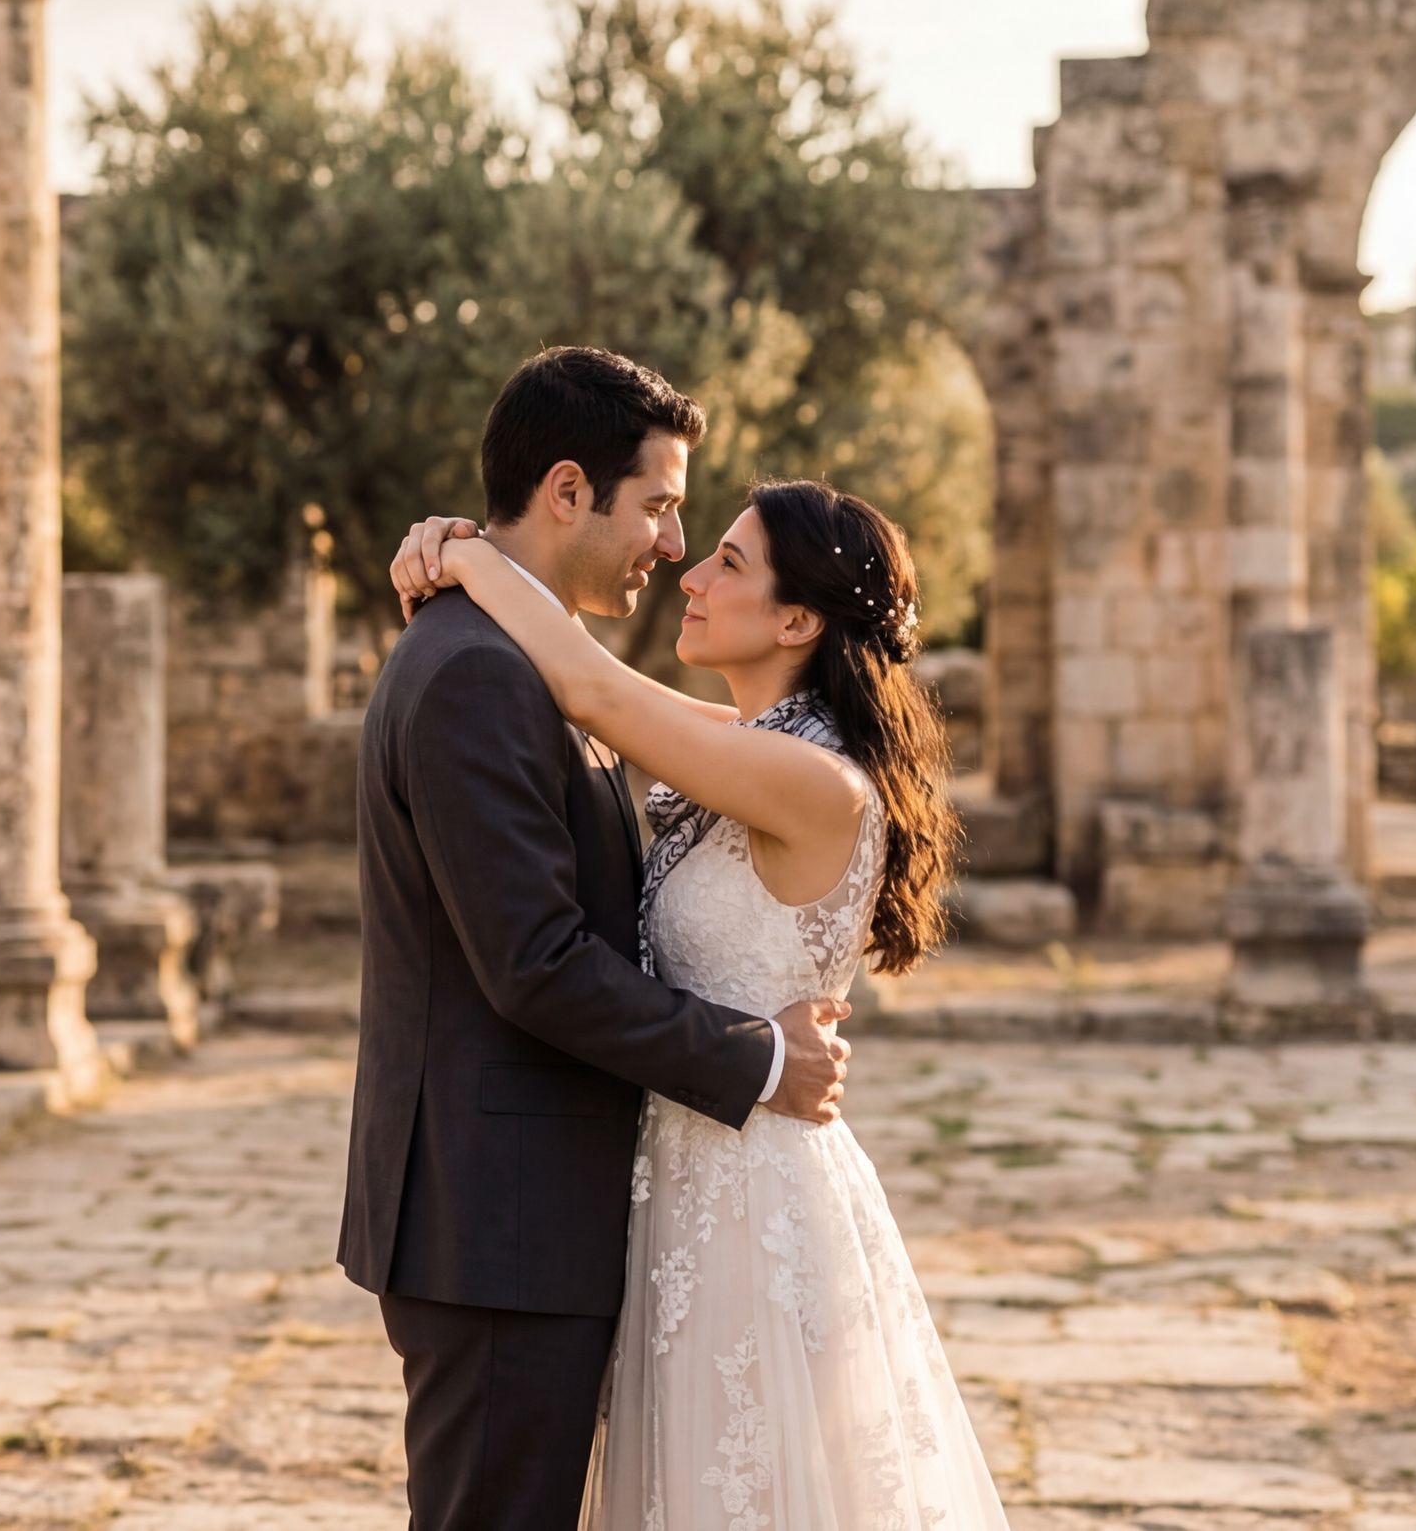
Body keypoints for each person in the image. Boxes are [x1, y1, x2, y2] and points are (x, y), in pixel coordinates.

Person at [385, 432, 1012, 1525]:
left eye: (727, 560)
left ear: (797, 620)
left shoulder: (810, 778)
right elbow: (610, 694)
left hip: (750, 1183)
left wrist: (475, 557)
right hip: (676, 1173)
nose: (692, 571)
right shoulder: (752, 739)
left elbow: (589, 689)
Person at [339, 346, 859, 1531]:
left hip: (546, 1220)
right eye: (664, 505)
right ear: (569, 491)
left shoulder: (531, 665)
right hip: (499, 1227)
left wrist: (462, 547)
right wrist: (762, 1059)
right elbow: (536, 966)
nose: (673, 545)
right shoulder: (478, 673)